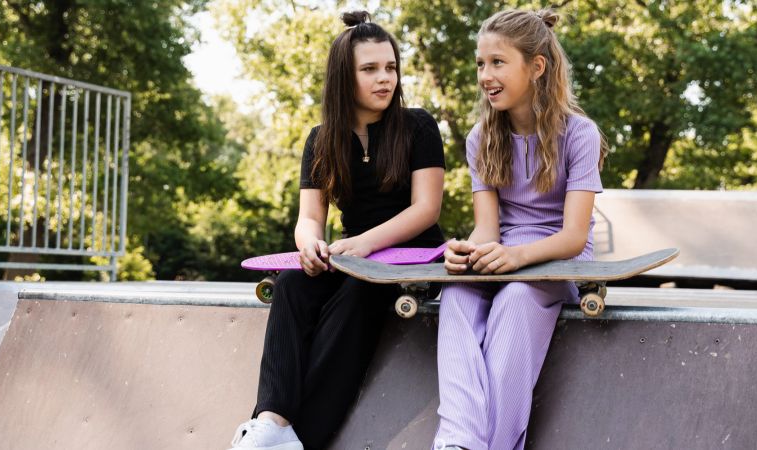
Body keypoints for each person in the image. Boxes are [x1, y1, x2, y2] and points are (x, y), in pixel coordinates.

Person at [229, 10, 445, 450]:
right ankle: (271, 422)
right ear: (343, 78)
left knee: (356, 294)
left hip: (411, 255)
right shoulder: (321, 139)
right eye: (370, 69)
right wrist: (310, 246)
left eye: (390, 67)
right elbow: (310, 218)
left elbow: (426, 209)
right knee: (291, 286)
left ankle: (303, 437)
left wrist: (364, 245)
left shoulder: (418, 125)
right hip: (349, 255)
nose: (385, 78)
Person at [433, 8, 607, 450]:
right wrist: (465, 251)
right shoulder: (481, 139)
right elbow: (487, 228)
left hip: (556, 262)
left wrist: (518, 258)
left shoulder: (580, 135)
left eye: (497, 62)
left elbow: (573, 236)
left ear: (536, 67)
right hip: (504, 254)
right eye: (480, 64)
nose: (485, 75)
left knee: (513, 300)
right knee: (455, 294)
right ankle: (458, 439)